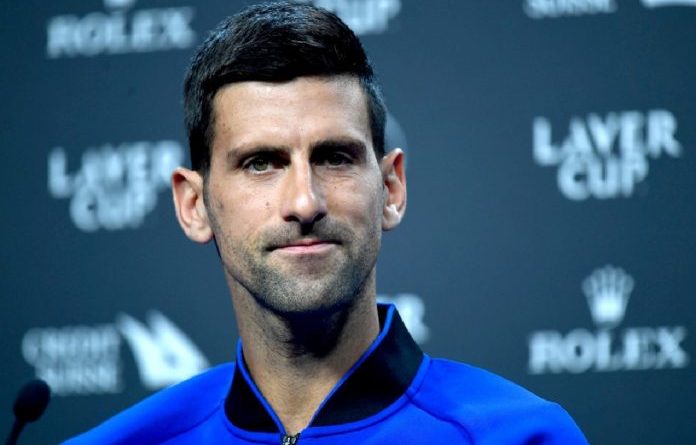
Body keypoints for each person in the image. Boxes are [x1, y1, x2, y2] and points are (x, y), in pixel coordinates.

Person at [64, 2, 588, 444]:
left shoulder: (522, 436)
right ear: (194, 205)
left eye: (335, 157)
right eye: (261, 163)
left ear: (391, 189)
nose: (304, 202)